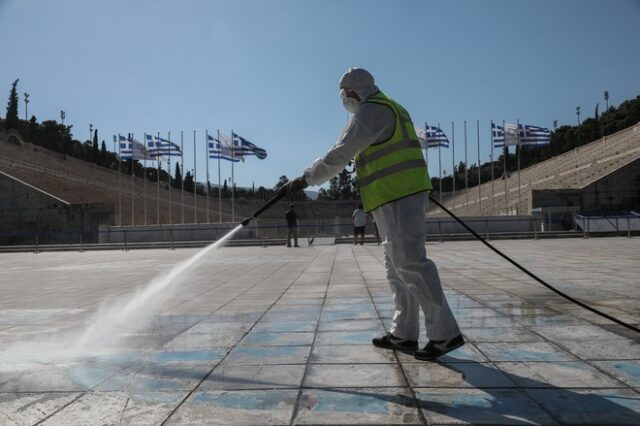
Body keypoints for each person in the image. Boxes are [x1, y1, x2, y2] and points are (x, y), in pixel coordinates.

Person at [285, 67, 463, 361]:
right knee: (396, 266)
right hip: (391, 196)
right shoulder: (387, 107)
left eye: (345, 96)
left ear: (354, 92)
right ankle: (404, 333)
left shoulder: (372, 111)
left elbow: (339, 154)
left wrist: (304, 179)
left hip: (399, 194)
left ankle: (445, 332)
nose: (345, 101)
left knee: (410, 262)